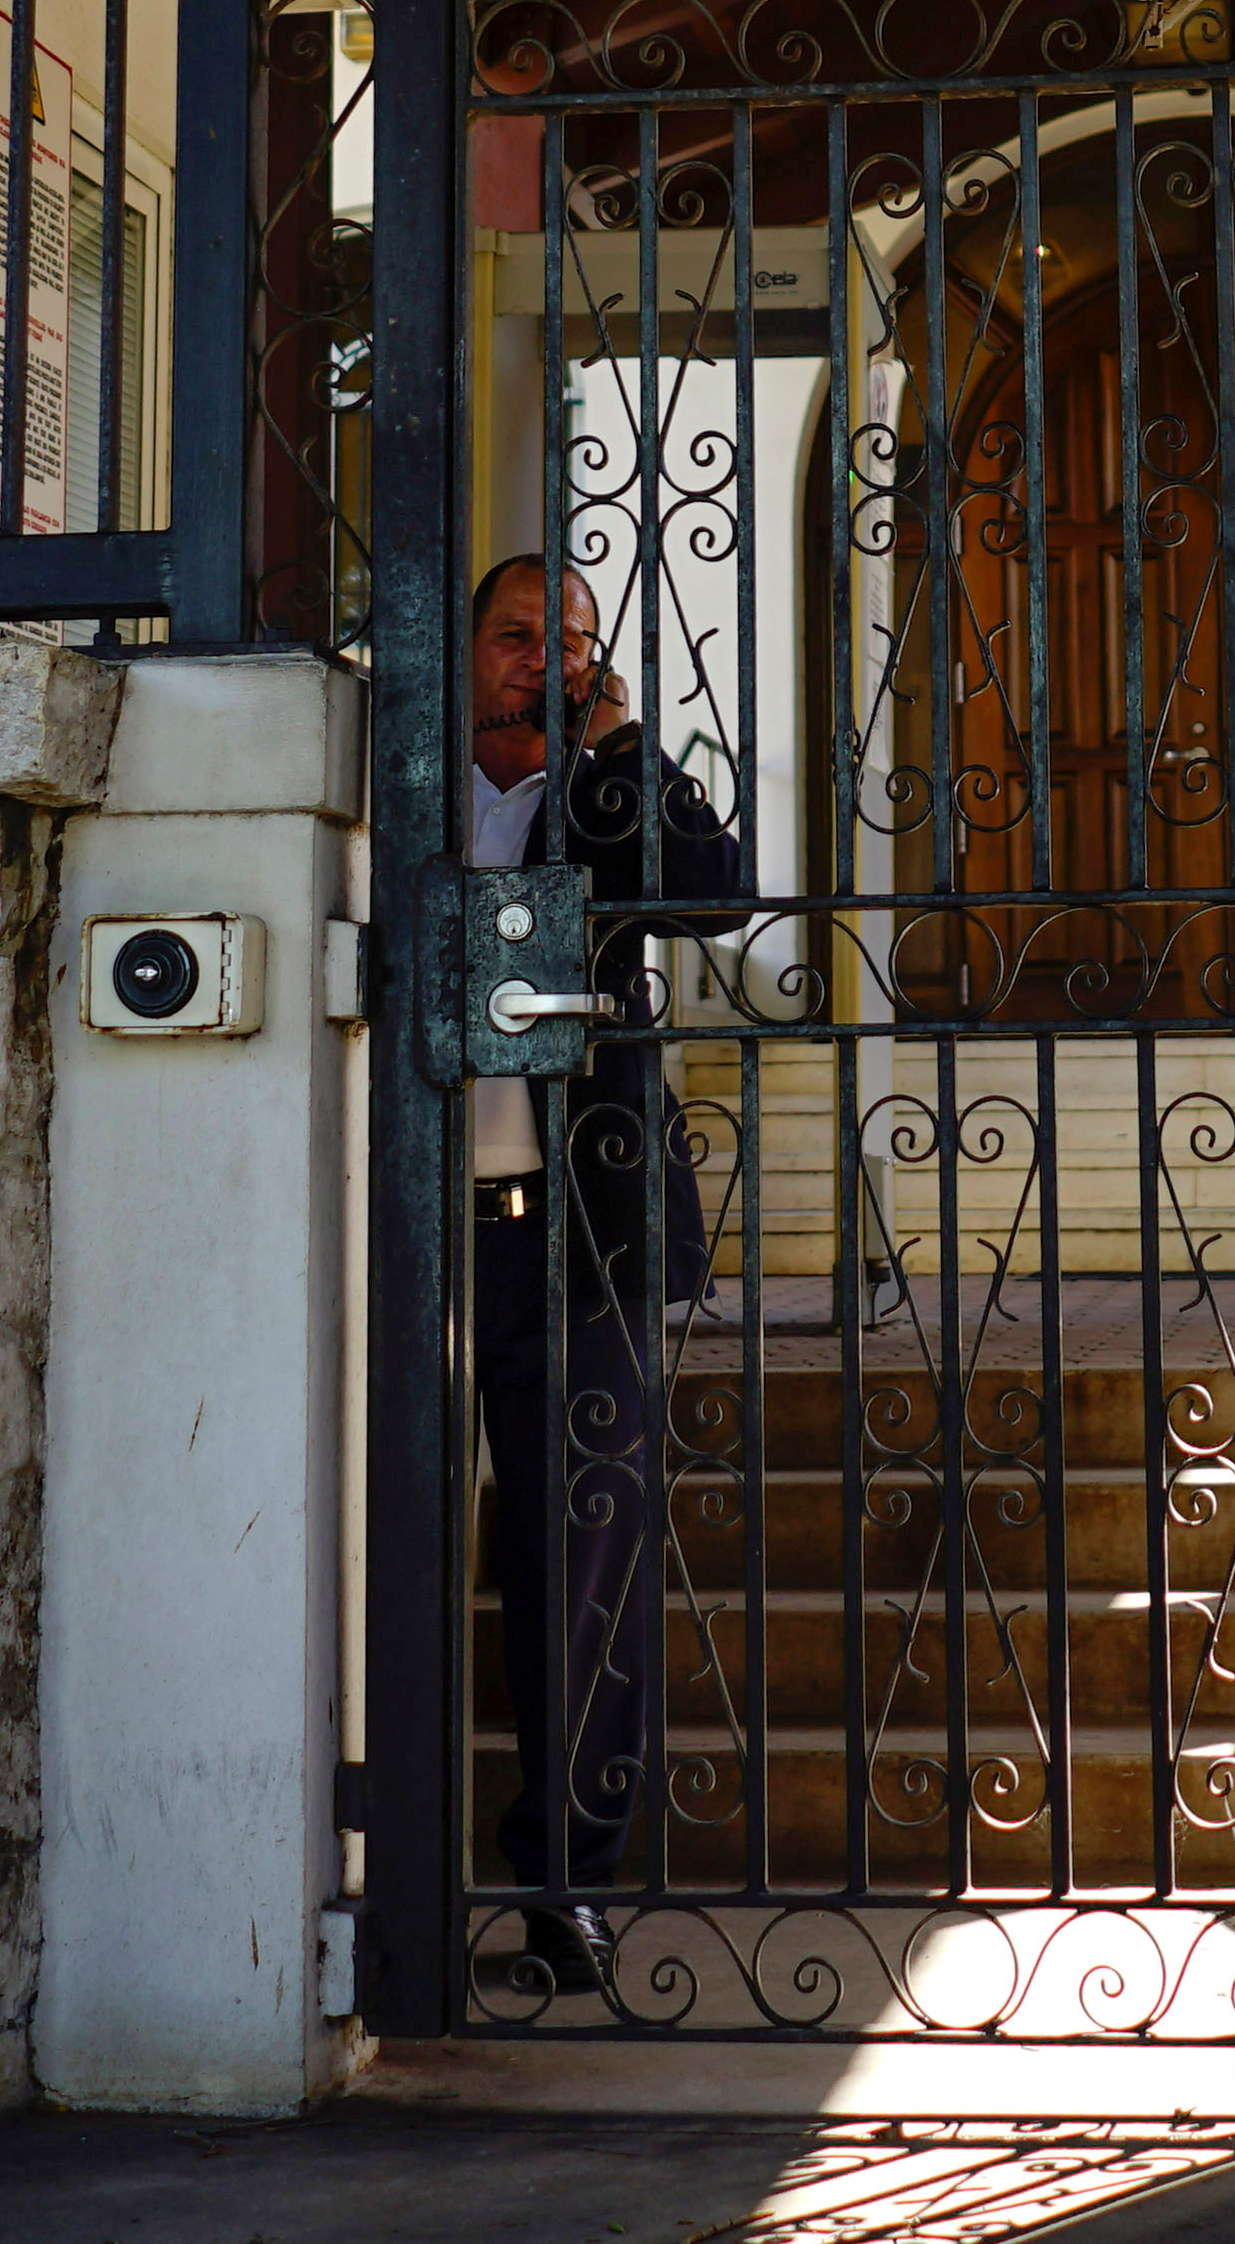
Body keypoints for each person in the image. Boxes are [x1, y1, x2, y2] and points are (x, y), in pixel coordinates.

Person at [462, 553, 752, 1999]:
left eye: (568, 641)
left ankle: (564, 1881)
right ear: (462, 652)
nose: (542, 659)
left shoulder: (603, 788)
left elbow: (714, 898)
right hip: (393, 1219)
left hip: (577, 1228)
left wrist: (623, 751)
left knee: (580, 1560)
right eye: (518, 636)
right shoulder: (396, 787)